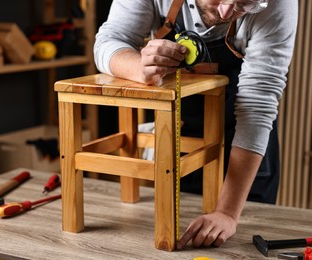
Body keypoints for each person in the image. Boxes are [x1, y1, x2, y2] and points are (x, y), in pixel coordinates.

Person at [94, 0, 298, 249]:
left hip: (244, 139)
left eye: (244, 3)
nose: (226, 12)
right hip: (181, 134)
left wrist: (228, 214)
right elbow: (109, 40)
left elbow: (257, 104)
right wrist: (138, 67)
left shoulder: (278, 3)